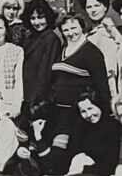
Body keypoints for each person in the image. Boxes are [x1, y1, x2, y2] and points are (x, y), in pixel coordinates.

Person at [43, 86, 121, 176]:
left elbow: (110, 165)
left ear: (99, 105)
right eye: (83, 111)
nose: (88, 115)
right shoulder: (80, 126)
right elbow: (69, 157)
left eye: (91, 108)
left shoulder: (112, 126)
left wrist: (83, 168)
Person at [47, 14, 111, 147]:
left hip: (79, 114)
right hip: (60, 113)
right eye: (66, 30)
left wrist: (104, 114)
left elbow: (102, 86)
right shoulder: (62, 50)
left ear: (82, 27)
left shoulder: (92, 52)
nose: (70, 33)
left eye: (74, 28)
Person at [20, 0, 61, 106]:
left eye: (41, 17)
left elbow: (45, 74)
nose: (37, 22)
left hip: (40, 99)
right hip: (26, 94)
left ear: (48, 17)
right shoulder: (30, 38)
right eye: (33, 18)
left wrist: (36, 102)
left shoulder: (51, 38)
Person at [80, 0, 121, 91]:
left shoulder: (110, 32)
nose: (93, 10)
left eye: (97, 5)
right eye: (89, 7)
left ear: (105, 7)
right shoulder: (86, 34)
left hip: (108, 81)